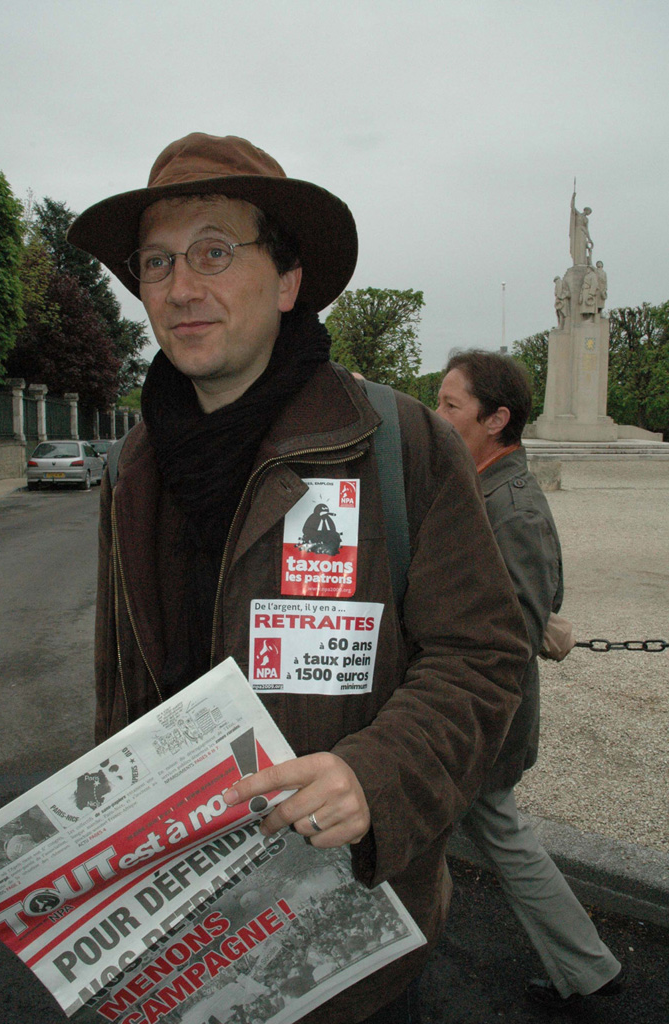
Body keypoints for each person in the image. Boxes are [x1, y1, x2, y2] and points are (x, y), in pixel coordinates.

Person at [68, 133, 530, 1024]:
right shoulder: (132, 465)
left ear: (286, 282)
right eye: (156, 261)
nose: (179, 286)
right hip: (184, 934)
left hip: (350, 940)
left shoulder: (402, 444)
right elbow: (120, 686)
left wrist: (376, 774)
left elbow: (482, 658)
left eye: (213, 251)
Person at [436, 350, 625, 1010]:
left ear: (496, 420)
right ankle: (584, 966)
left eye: (449, 405)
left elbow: (513, 631)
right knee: (486, 836)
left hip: (477, 719)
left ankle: (587, 968)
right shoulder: (480, 483)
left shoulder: (510, 505)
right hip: (467, 714)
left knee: (490, 836)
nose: (438, 416)